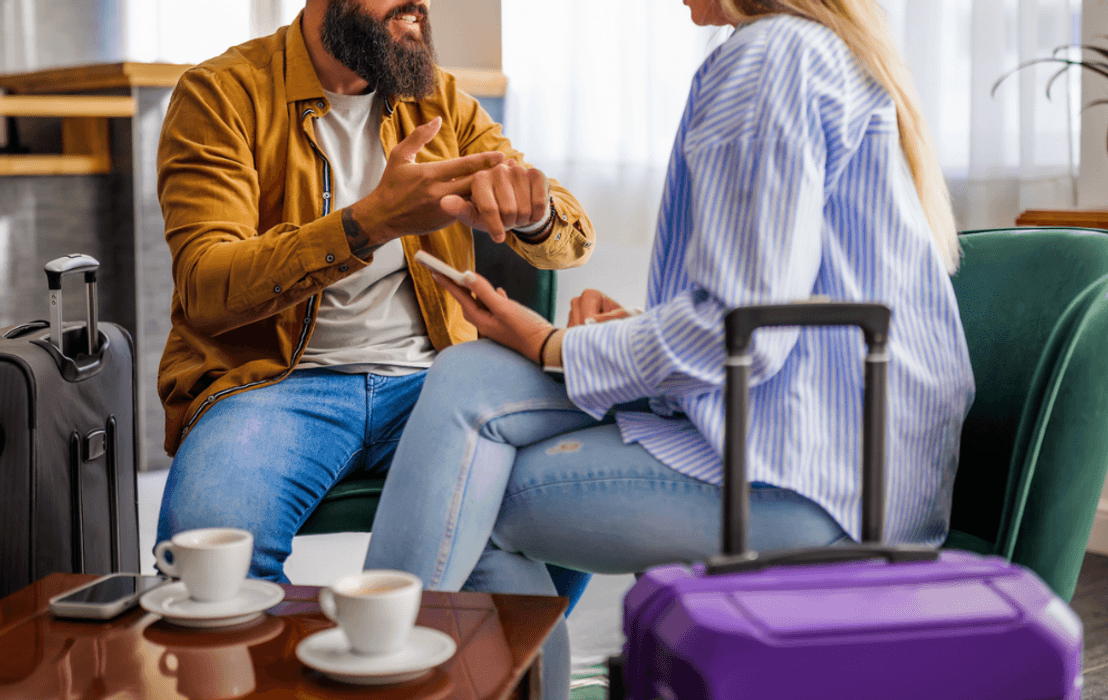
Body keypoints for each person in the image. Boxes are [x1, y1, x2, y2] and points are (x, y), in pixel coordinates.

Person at [362, 0, 976, 698]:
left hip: (810, 480)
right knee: (469, 370)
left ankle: (377, 676)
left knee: (466, 500)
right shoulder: (819, 52)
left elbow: (742, 331)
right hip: (843, 456)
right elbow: (772, 305)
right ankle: (382, 661)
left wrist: (553, 342)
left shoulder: (765, 58)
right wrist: (618, 331)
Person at [152, 0, 597, 604]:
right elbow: (207, 284)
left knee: (576, 491)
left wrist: (534, 212)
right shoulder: (221, 95)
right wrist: (364, 225)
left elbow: (569, 234)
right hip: (272, 386)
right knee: (205, 565)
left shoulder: (439, 99)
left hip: (435, 384)